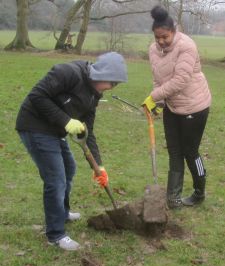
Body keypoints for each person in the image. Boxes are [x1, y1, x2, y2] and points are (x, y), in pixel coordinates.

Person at [16, 52, 127, 250]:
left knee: (69, 169)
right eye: (112, 83)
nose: (111, 88)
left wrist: (99, 166)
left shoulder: (94, 96)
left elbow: (88, 133)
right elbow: (37, 96)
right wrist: (65, 121)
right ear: (102, 74)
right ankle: (56, 234)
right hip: (34, 126)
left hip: (55, 131)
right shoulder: (67, 73)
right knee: (56, 179)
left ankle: (63, 212)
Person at [143, 6, 211, 209]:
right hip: (172, 106)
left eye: (165, 36)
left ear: (174, 30)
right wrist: (160, 101)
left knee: (190, 151)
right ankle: (173, 198)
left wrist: (153, 97)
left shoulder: (187, 46)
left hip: (195, 106)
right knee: (174, 151)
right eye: (157, 38)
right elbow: (158, 80)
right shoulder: (153, 50)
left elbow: (181, 80)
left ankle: (199, 193)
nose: (161, 41)